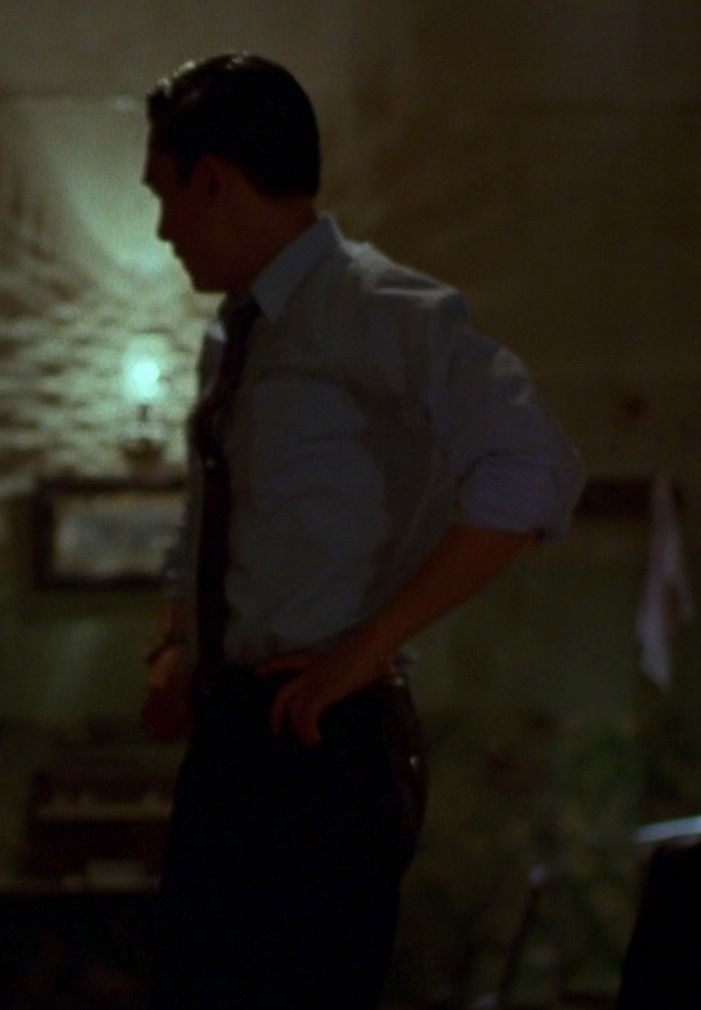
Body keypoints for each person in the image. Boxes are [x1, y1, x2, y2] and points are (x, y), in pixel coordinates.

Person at [137, 53, 585, 1009]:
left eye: (164, 195)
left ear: (212, 180)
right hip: (233, 734)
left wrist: (368, 647)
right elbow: (212, 510)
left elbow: (532, 466)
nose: (164, 228)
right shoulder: (234, 335)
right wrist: (176, 642)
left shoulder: (374, 304)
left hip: (323, 736)